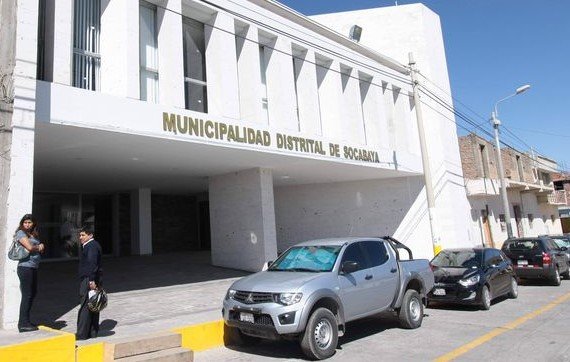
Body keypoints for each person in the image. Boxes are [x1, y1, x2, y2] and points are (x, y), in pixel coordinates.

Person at [14, 214, 45, 332]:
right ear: (22, 223)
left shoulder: (33, 234)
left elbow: (33, 247)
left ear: (33, 224)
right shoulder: (21, 233)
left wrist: (38, 246)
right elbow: (30, 247)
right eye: (25, 222)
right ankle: (22, 324)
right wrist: (40, 247)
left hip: (33, 267)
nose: (27, 224)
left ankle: (26, 320)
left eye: (29, 222)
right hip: (25, 267)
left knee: (32, 293)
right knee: (27, 294)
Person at [76, 226, 102, 340]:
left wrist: (91, 280)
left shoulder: (91, 246)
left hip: (89, 279)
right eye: (80, 235)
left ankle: (82, 334)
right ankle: (92, 332)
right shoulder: (91, 245)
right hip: (92, 278)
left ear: (90, 235)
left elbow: (92, 263)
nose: (80, 237)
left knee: (86, 305)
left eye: (83, 235)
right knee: (93, 305)